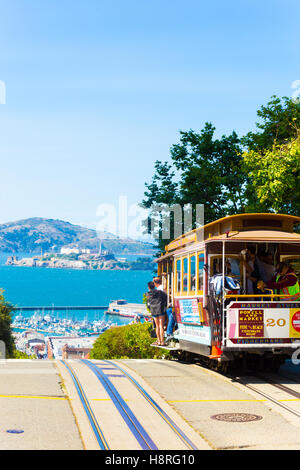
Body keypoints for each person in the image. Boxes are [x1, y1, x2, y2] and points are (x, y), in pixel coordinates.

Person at [146, 281, 168, 346]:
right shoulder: (159, 292)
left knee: (157, 326)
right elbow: (165, 297)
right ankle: (162, 342)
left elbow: (148, 303)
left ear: (149, 287)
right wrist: (164, 305)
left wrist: (151, 309)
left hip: (153, 310)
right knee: (161, 326)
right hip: (160, 309)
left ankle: (158, 341)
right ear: (154, 286)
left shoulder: (147, 294)